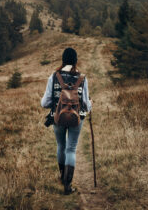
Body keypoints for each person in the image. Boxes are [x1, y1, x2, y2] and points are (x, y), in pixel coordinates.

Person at [41, 47, 92, 195]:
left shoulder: (54, 76)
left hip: (58, 118)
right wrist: (91, 104)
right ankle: (68, 186)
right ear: (76, 60)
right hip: (77, 118)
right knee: (71, 148)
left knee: (61, 145)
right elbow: (86, 105)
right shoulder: (82, 78)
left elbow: (45, 103)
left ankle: (62, 177)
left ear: (63, 59)